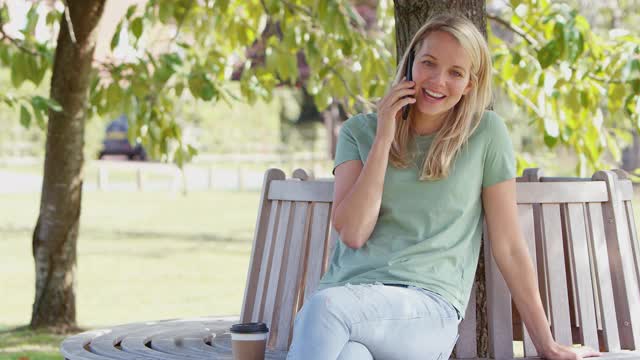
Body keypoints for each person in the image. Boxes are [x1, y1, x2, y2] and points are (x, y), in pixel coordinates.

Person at [285, 13, 601, 360]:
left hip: (425, 310)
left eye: (455, 72)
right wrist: (385, 133)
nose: (437, 80)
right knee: (349, 354)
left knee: (324, 309)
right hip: (344, 306)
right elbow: (354, 233)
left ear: (470, 84)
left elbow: (509, 246)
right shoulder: (359, 131)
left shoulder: (486, 134)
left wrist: (547, 345)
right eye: (428, 64)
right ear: (409, 67)